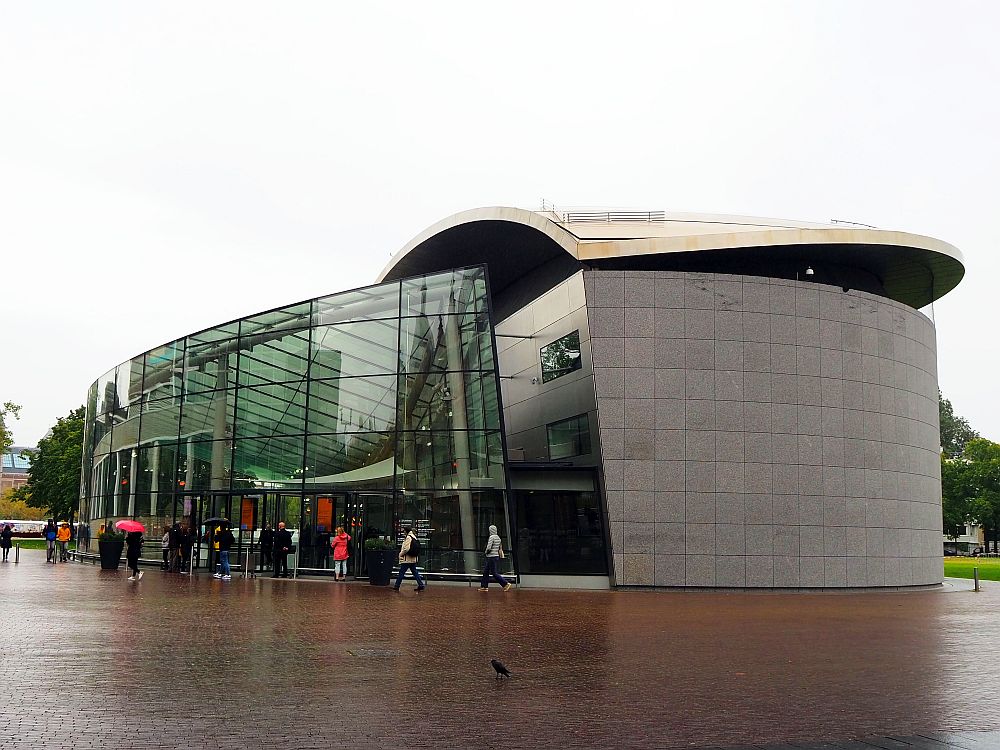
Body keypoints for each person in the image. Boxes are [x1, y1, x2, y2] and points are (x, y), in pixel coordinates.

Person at [479, 524, 512, 592]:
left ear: (490, 530)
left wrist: (485, 552)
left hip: (491, 557)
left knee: (494, 573)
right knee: (486, 571)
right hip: (495, 556)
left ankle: (506, 583)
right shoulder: (498, 538)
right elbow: (499, 548)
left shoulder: (491, 537)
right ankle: (484, 586)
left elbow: (489, 547)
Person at [393, 526, 425, 592]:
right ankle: (421, 584)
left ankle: (397, 585)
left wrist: (400, 554)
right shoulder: (414, 537)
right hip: (413, 559)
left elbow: (406, 549)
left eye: (404, 531)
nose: (403, 532)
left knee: (401, 572)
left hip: (407, 559)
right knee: (415, 572)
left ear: (406, 531)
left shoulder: (408, 537)